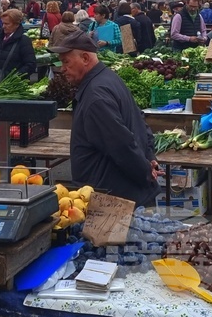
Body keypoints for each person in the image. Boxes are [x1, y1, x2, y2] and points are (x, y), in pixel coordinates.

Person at [48, 31, 160, 207]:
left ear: (85, 58)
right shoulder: (108, 78)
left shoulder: (95, 97)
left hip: (113, 200)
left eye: (66, 62)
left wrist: (146, 171)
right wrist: (149, 157)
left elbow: (121, 145)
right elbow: (139, 119)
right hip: (122, 193)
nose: (62, 68)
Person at [0, 8, 37, 85]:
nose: (3, 26)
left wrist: (14, 78)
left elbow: (30, 65)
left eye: (7, 24)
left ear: (16, 24)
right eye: (3, 23)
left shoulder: (23, 41)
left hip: (14, 86)